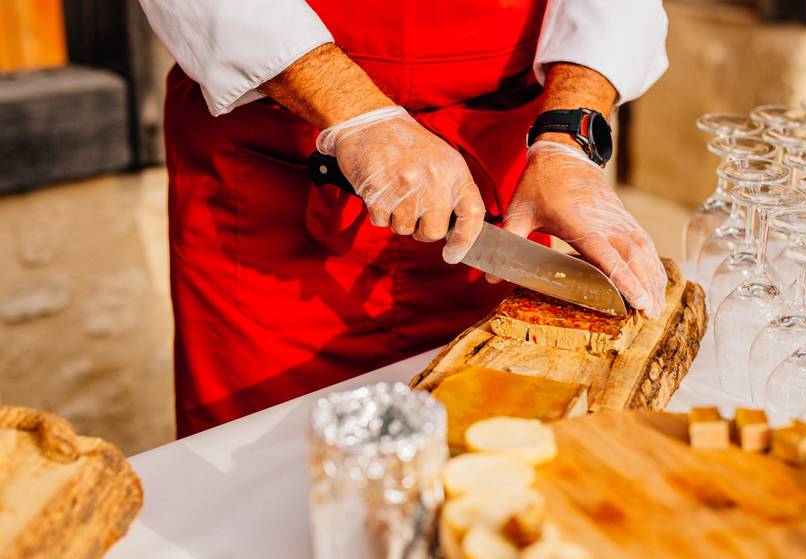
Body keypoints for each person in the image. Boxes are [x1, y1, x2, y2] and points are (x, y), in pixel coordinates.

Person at [139, 0, 670, 437]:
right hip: (276, 156)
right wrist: (356, 113)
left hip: (497, 165)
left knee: (486, 440)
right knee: (252, 465)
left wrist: (567, 140)